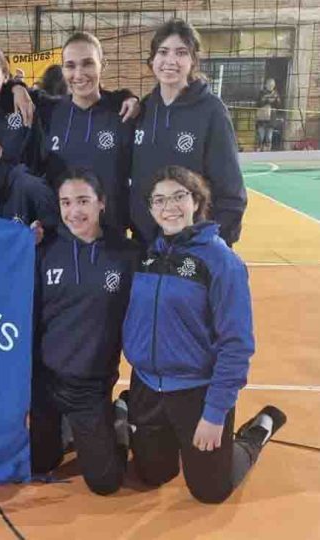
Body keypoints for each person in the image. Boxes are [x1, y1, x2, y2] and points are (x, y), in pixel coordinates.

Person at [122, 165, 287, 503]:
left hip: (196, 391)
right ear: (151, 208)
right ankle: (127, 408)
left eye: (179, 196)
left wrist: (214, 413)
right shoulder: (145, 256)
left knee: (211, 491)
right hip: (147, 387)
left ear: (196, 201)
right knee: (152, 475)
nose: (169, 207)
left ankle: (256, 432)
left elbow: (237, 346)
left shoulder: (222, 262)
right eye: (159, 200)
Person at [31, 169, 140, 494]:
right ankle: (64, 430)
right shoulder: (43, 249)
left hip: (89, 386)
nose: (73, 211)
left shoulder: (127, 254)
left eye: (83, 201)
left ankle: (118, 415)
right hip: (45, 383)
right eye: (66, 202)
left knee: (105, 483)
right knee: (39, 464)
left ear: (101, 203)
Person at [130, 19, 246, 247]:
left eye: (181, 52)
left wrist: (213, 243)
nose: (170, 61)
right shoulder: (143, 110)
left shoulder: (211, 110)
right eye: (163, 52)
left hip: (195, 247)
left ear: (193, 60)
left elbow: (231, 192)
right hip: (147, 246)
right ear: (152, 59)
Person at [40, 32, 133, 235]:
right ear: (62, 69)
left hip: (113, 238)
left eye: (88, 63)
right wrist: (17, 88)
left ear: (103, 65)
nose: (79, 74)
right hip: (60, 239)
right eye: (71, 66)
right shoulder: (48, 112)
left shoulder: (123, 113)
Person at [255, 78, 280, 152]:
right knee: (261, 136)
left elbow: (278, 106)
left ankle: (267, 150)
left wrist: (276, 100)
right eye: (269, 85)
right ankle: (259, 148)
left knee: (269, 136)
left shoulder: (275, 94)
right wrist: (266, 100)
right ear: (266, 85)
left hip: (271, 119)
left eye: (272, 85)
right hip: (262, 118)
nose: (271, 86)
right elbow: (258, 104)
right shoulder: (262, 93)